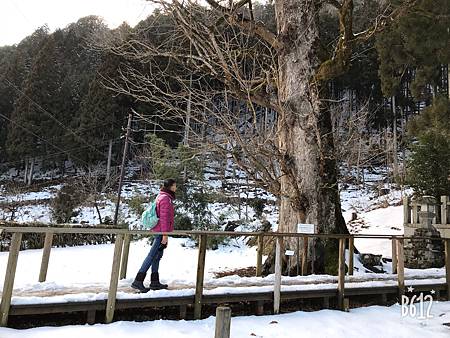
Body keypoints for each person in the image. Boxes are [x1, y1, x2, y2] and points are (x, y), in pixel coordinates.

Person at [131, 179, 176, 292]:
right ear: (170, 187)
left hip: (160, 231)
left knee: (157, 256)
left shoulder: (162, 196)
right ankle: (138, 281)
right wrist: (165, 235)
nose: (176, 188)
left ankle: (154, 282)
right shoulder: (165, 199)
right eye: (175, 186)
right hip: (161, 232)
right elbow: (164, 219)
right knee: (152, 256)